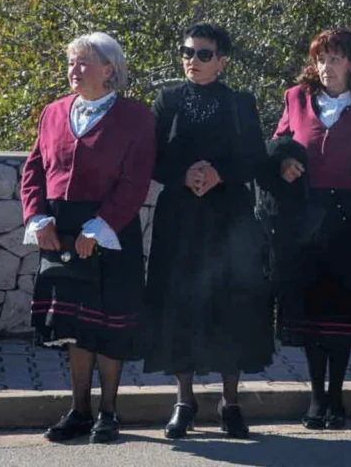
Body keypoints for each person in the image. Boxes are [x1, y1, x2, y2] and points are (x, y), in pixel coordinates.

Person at [21, 33, 155, 443]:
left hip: (110, 229)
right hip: (61, 229)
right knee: (75, 326)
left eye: (83, 63)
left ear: (109, 69)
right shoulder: (54, 112)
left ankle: (108, 413)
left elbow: (136, 181)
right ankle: (78, 409)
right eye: (71, 63)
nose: (74, 71)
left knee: (109, 326)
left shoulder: (136, 117)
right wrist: (38, 218)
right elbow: (34, 169)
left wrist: (99, 228)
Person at [144, 23, 273, 439]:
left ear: (221, 60)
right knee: (178, 304)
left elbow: (255, 157)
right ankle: (185, 400)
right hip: (179, 219)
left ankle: (230, 402)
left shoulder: (240, 103)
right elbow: (152, 158)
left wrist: (220, 174)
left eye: (203, 54)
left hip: (229, 219)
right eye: (187, 52)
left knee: (230, 305)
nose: (192, 61)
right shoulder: (167, 99)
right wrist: (184, 174)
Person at [266, 28, 351, 430]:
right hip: (304, 218)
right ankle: (317, 397)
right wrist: (283, 164)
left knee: (341, 313)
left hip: (350, 219)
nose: (326, 67)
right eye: (321, 59)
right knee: (311, 314)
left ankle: (337, 397)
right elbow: (278, 143)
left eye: (334, 59)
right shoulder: (296, 98)